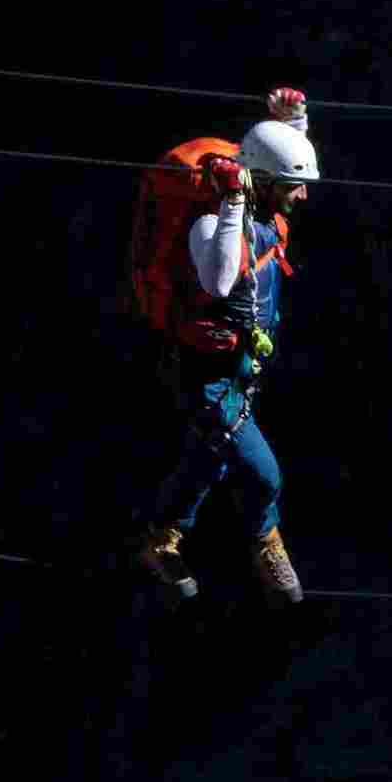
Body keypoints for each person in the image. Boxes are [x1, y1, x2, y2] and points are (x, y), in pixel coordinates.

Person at [134, 90, 318, 607]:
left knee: (208, 459)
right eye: (293, 187)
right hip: (206, 374)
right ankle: (266, 539)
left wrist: (293, 123)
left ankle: (161, 540)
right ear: (263, 184)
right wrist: (234, 201)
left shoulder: (261, 201)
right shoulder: (213, 221)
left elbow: (278, 159)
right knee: (263, 472)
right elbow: (218, 282)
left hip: (240, 364)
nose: (302, 197)